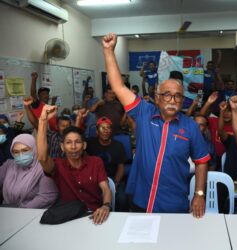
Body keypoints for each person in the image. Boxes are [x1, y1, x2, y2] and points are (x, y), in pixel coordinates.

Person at [103, 33, 210, 217]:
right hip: (140, 200)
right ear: (157, 98)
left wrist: (199, 194)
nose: (172, 100)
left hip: (174, 203)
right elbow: (119, 87)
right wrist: (108, 51)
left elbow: (201, 162)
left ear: (182, 100)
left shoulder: (190, 126)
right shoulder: (144, 112)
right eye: (166, 94)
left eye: (177, 96)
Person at [36, 105, 112, 224]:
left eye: (77, 142)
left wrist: (106, 205)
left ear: (84, 145)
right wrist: (42, 121)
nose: (73, 147)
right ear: (62, 147)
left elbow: (105, 188)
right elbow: (42, 157)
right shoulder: (57, 165)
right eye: (68, 143)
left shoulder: (96, 162)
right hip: (69, 218)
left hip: (94, 215)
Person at [0, 134, 58, 208]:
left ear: (34, 149)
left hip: (33, 213)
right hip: (7, 210)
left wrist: (21, 209)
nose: (21, 155)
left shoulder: (44, 167)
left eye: (25, 150)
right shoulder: (9, 165)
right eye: (16, 152)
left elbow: (47, 196)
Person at [86, 116, 127, 211]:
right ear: (97, 131)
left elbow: (121, 168)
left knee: (122, 199)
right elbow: (77, 137)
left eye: (108, 128)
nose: (106, 130)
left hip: (113, 179)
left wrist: (115, 185)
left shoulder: (118, 145)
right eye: (102, 128)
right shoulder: (90, 144)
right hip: (95, 179)